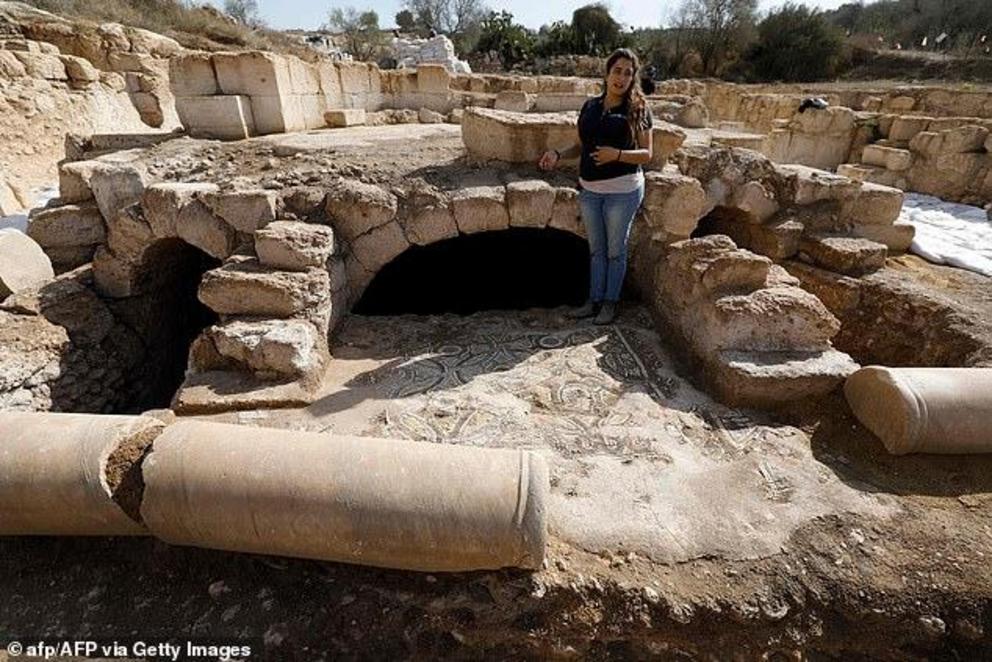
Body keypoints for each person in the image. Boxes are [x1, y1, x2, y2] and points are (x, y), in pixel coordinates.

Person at [538, 48, 654, 325]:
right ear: (606, 73)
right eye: (617, 71)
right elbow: (581, 145)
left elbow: (647, 154)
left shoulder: (638, 109)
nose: (622, 78)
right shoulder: (590, 106)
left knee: (616, 251)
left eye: (628, 73)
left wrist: (617, 155)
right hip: (590, 190)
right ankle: (593, 301)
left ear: (633, 78)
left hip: (623, 191)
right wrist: (557, 153)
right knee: (596, 250)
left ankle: (610, 304)